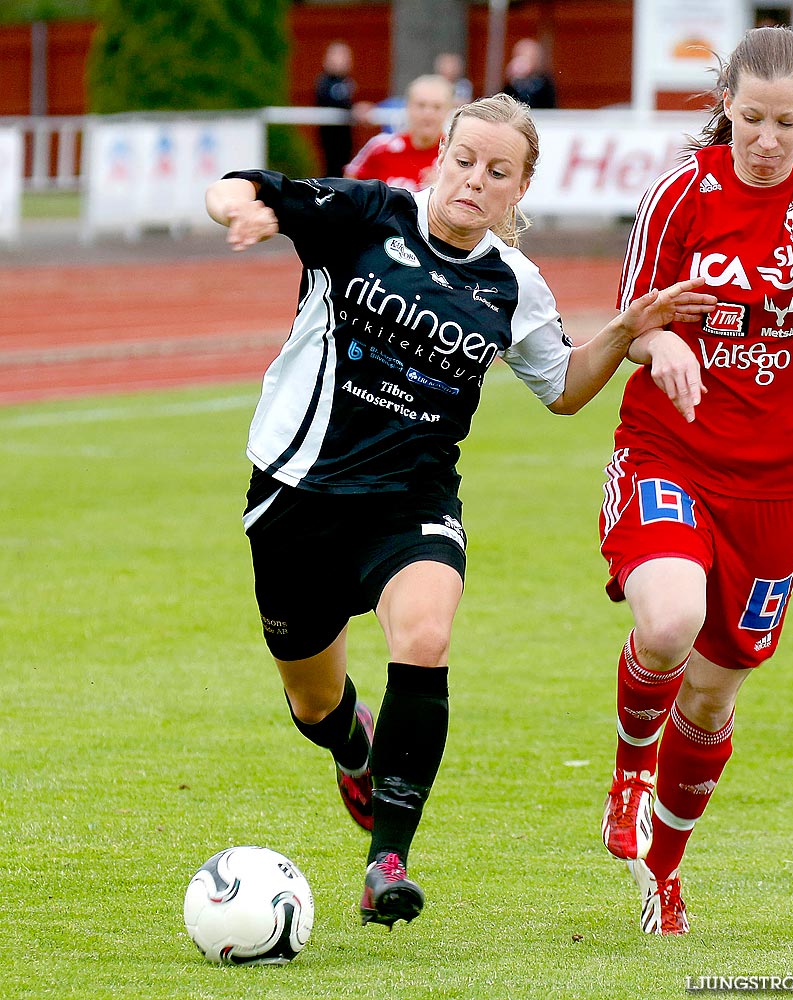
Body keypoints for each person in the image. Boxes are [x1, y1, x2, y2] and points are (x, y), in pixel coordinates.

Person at [204, 94, 716, 930]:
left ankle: (388, 863)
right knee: (313, 701)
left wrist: (627, 328)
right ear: (440, 158)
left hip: (413, 504)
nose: (476, 181)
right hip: (297, 496)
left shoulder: (514, 284)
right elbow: (237, 186)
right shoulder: (367, 214)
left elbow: (561, 389)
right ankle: (351, 746)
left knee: (427, 636)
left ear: (521, 189)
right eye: (466, 161)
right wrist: (247, 211)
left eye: (499, 171)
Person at [597, 26, 793, 935]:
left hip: (778, 484)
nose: (767, 140)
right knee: (670, 620)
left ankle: (666, 871)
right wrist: (665, 341)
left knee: (717, 693)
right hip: (670, 450)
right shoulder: (680, 196)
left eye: (786, 123)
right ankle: (629, 771)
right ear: (725, 105)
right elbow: (632, 322)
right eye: (751, 118)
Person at [344, 75, 455, 191]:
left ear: (448, 110)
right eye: (421, 105)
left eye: (437, 107)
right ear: (408, 107)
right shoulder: (380, 147)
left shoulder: (455, 154)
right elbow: (349, 186)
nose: (428, 113)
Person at [313, 41, 357, 178]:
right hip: (330, 138)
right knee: (332, 170)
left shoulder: (347, 82)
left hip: (345, 137)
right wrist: (353, 110)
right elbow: (329, 101)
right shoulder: (324, 82)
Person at [502, 38, 558, 109]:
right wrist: (511, 81)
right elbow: (507, 102)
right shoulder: (512, 83)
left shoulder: (544, 81)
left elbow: (548, 103)